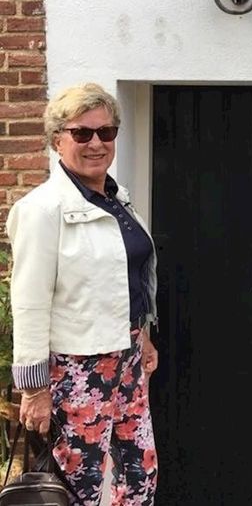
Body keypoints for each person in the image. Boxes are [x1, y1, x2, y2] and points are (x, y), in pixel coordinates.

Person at [8, 83, 159, 505]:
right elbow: (30, 302)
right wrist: (34, 390)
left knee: (139, 475)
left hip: (127, 360)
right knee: (79, 489)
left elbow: (126, 275)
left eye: (106, 133)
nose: (96, 143)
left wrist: (142, 332)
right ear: (57, 139)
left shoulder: (115, 200)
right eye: (82, 133)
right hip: (77, 371)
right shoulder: (42, 210)